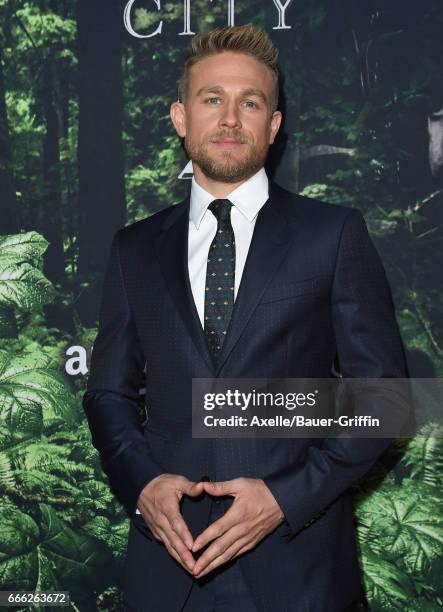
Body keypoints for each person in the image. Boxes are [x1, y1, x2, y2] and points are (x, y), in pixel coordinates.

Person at [83, 24, 409, 612]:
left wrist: (285, 498)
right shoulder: (132, 249)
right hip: (166, 574)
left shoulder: (332, 235)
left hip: (300, 572)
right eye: (213, 99)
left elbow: (385, 397)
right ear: (181, 117)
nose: (230, 119)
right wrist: (144, 484)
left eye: (250, 102)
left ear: (274, 125)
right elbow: (107, 391)